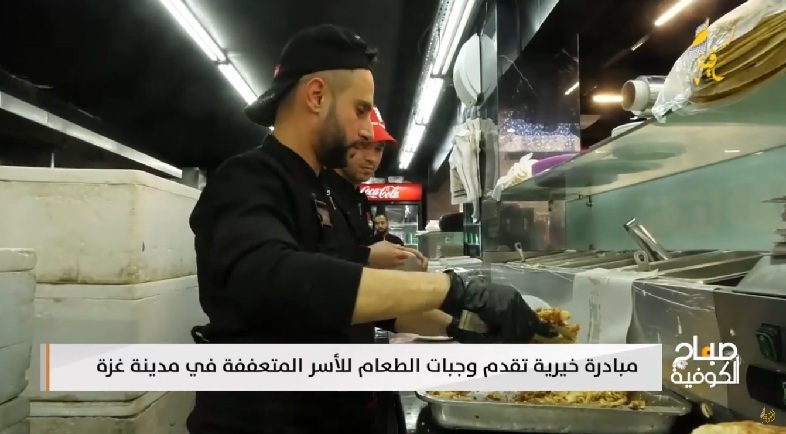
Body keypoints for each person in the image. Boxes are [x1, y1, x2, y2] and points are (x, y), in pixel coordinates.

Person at [186, 24, 557, 434]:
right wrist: (455, 289)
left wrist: (464, 325)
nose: (367, 130)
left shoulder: (323, 191)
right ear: (316, 96)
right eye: (361, 109)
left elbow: (361, 303)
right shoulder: (247, 179)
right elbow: (271, 279)